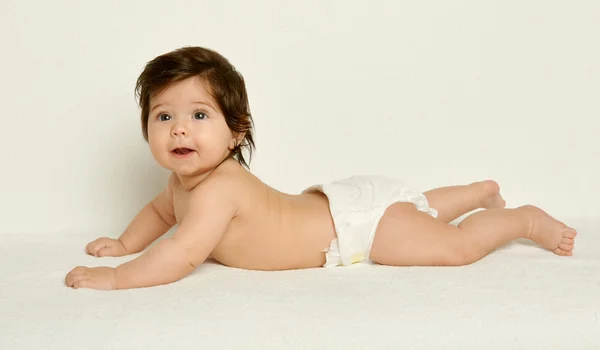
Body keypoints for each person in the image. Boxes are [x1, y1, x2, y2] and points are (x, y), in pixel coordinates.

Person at [65, 46, 577, 290]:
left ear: (236, 131)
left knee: (453, 247)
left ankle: (521, 218)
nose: (179, 129)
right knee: (415, 208)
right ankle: (475, 190)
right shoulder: (183, 184)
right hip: (346, 202)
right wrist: (128, 242)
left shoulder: (219, 189)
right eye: (164, 116)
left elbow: (180, 252)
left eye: (199, 115)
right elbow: (160, 214)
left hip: (358, 230)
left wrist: (117, 279)